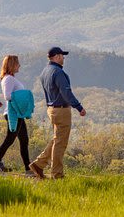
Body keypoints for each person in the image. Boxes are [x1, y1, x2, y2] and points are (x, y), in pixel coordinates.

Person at [29, 46, 85, 179]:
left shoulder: (45, 72)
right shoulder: (58, 72)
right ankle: (57, 174)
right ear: (56, 57)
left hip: (51, 109)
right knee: (61, 143)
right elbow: (66, 92)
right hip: (61, 110)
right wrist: (78, 107)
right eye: (62, 55)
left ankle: (39, 164)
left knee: (57, 139)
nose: (63, 58)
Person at [0, 55, 35, 176]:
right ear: (12, 65)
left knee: (24, 140)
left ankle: (28, 168)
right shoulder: (8, 79)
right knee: (9, 140)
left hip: (17, 113)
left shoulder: (11, 78)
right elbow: (7, 96)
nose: (19, 66)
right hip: (13, 114)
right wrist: (24, 96)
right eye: (17, 63)